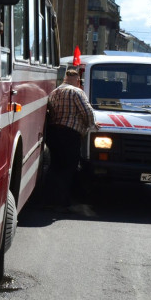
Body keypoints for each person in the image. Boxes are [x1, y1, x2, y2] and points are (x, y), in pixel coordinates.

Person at [45, 68, 96, 209]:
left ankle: (49, 199)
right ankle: (63, 202)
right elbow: (87, 112)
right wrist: (91, 126)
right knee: (69, 168)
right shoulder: (77, 92)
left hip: (53, 132)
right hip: (70, 134)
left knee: (55, 165)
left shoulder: (54, 92)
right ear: (78, 81)